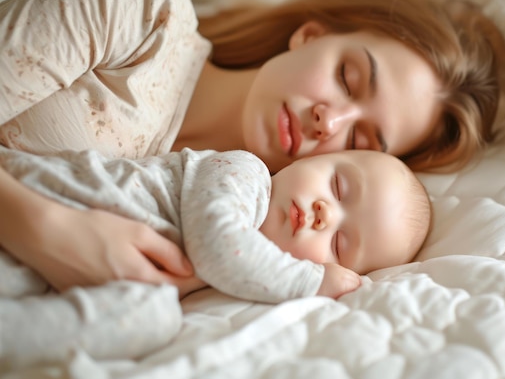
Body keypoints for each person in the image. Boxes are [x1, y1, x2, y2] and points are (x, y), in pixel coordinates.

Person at [0, 0, 505, 294]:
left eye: (359, 140)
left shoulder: (239, 244)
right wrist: (42, 228)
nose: (329, 120)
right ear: (310, 35)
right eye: (347, 77)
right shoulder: (144, 13)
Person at [0, 146, 430, 368]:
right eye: (338, 187)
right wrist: (312, 281)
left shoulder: (233, 283)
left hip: (57, 269)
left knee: (154, 318)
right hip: (53, 194)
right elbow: (220, 245)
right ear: (312, 158)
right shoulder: (244, 173)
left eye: (339, 243)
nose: (325, 213)